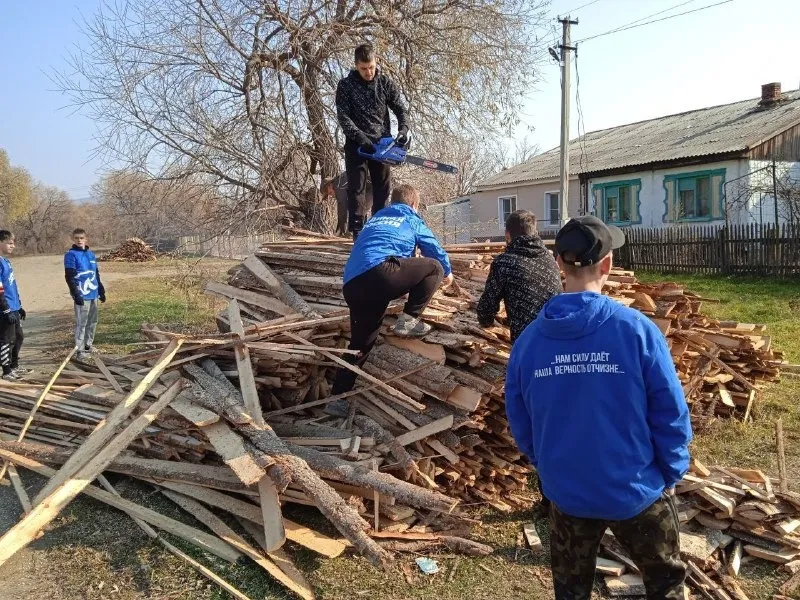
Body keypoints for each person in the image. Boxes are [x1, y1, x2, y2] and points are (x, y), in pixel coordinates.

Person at [505, 215, 692, 600]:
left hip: (567, 493)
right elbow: (669, 410)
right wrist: (672, 468)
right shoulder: (636, 330)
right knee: (666, 582)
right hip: (635, 489)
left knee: (571, 590)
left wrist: (545, 463)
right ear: (607, 265)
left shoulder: (528, 344)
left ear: (558, 263)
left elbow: (520, 418)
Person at [332, 184, 452, 394]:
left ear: (392, 202)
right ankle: (408, 321)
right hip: (379, 274)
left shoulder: (375, 219)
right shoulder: (410, 218)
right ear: (414, 204)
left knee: (360, 345)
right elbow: (432, 248)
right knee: (434, 267)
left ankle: (337, 396)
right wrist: (448, 273)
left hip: (353, 284)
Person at [336, 42, 408, 239]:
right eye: (363, 68)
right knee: (356, 188)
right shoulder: (345, 86)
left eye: (371, 67)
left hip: (382, 145)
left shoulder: (385, 83)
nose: (368, 72)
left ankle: (379, 229)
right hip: (356, 144)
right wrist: (361, 138)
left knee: (382, 189)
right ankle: (358, 233)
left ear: (377, 62)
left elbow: (400, 108)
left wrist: (404, 127)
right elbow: (343, 117)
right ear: (356, 65)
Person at [477, 210, 562, 343]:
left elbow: (485, 310)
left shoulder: (505, 262)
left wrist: (486, 322)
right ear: (535, 232)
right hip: (558, 339)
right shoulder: (549, 258)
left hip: (527, 345)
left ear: (507, 234)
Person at [64, 228, 106, 361]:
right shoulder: (71, 255)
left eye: (81, 238)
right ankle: (80, 350)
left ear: (85, 239)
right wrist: (76, 294)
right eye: (76, 238)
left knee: (93, 321)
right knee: (81, 323)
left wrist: (101, 289)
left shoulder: (90, 254)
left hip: (93, 293)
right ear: (73, 239)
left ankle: (88, 345)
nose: (79, 240)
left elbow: (96, 273)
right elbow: (69, 276)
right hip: (81, 294)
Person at [0, 231, 30, 380]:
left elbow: (12, 286)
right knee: (7, 340)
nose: (13, 245)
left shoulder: (6, 261)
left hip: (14, 306)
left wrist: (19, 306)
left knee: (18, 337)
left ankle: (14, 366)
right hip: (4, 309)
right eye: (10, 243)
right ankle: (6, 371)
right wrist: (6, 310)